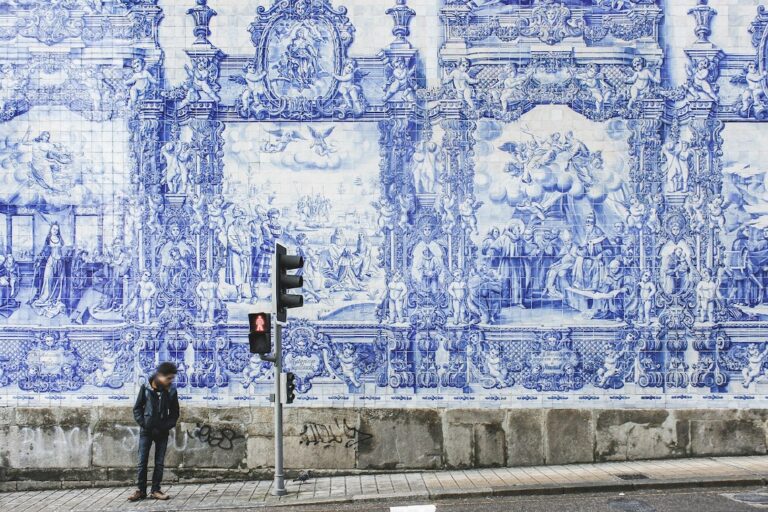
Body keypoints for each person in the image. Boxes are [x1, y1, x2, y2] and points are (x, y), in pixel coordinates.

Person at [128, 362, 180, 502]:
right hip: (146, 431)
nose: (170, 381)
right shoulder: (145, 387)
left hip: (162, 432)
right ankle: (141, 491)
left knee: (159, 463)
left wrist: (165, 426)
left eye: (171, 378)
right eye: (168, 378)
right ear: (159, 376)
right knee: (142, 461)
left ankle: (155, 490)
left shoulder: (171, 390)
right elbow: (137, 408)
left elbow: (175, 413)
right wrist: (144, 424)